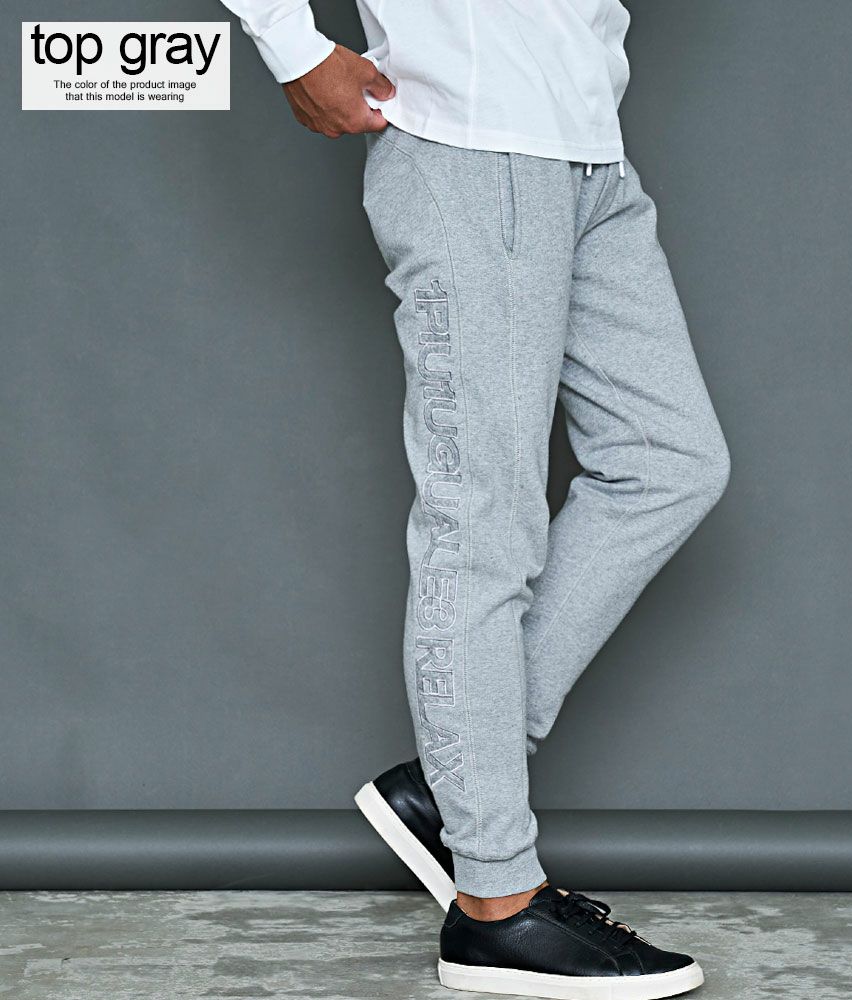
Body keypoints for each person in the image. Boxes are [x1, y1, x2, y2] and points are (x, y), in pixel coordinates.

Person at [217, 2, 729, 996]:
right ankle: (495, 905)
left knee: (668, 460)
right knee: (483, 523)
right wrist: (289, 42)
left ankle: (450, 789)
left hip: (588, 149)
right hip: (469, 142)